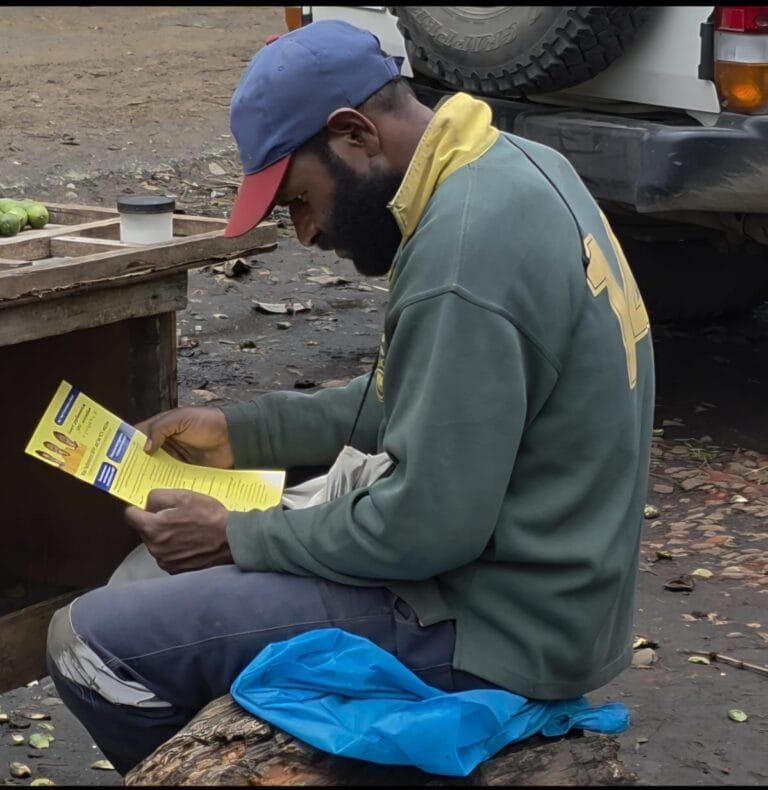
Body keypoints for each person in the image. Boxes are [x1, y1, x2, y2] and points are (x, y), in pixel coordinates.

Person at [46, 19, 655, 776]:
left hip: (500, 625)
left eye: (301, 199)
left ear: (354, 134)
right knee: (152, 579)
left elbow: (427, 529)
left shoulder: (461, 258)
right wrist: (243, 432)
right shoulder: (514, 167)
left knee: (86, 642)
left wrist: (237, 536)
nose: (305, 232)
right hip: (555, 591)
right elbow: (413, 399)